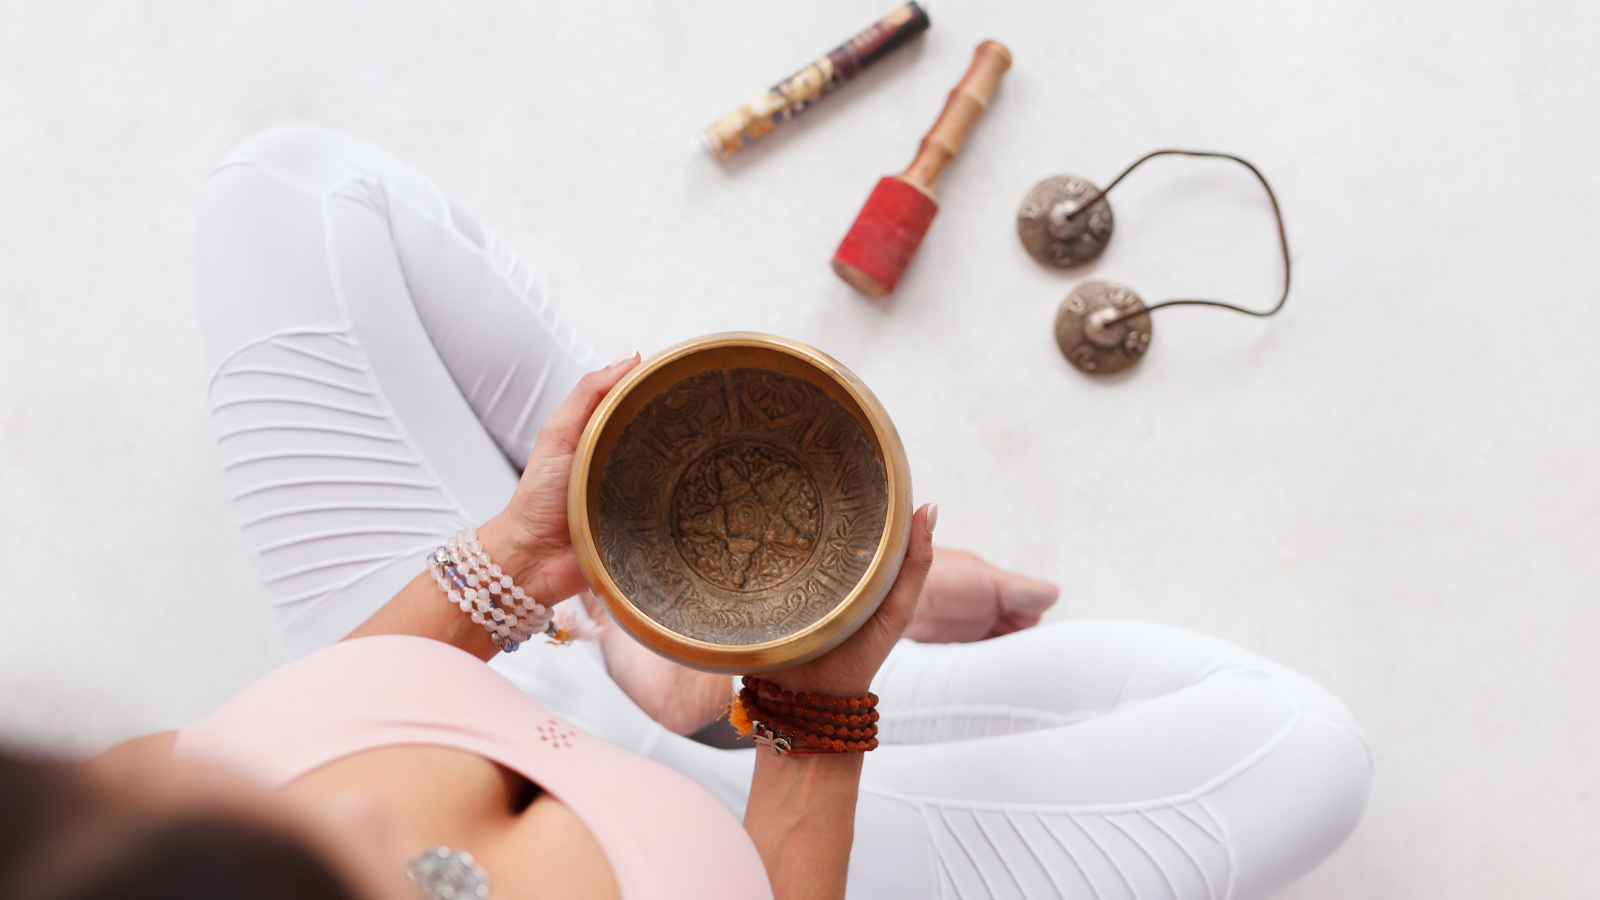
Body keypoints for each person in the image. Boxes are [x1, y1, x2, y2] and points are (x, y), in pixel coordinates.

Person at [3, 126, 1371, 900]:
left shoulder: (87, 837)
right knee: (1305, 749)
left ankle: (655, 588)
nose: (386, 843)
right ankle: (735, 628)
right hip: (745, 854)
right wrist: (821, 704)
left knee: (292, 198)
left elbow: (302, 713)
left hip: (486, 658)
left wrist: (528, 558)